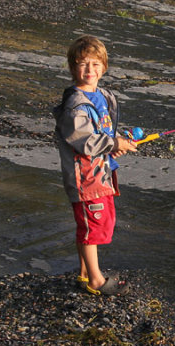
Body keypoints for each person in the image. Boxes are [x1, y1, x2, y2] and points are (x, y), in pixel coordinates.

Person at [53, 35, 137, 296]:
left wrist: (117, 144)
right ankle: (97, 280)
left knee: (91, 224)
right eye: (82, 64)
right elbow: (84, 140)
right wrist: (112, 144)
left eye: (95, 64)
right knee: (93, 226)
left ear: (104, 66)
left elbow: (101, 131)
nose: (90, 70)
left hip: (100, 172)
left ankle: (84, 272)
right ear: (72, 68)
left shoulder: (103, 96)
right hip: (85, 178)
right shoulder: (75, 105)